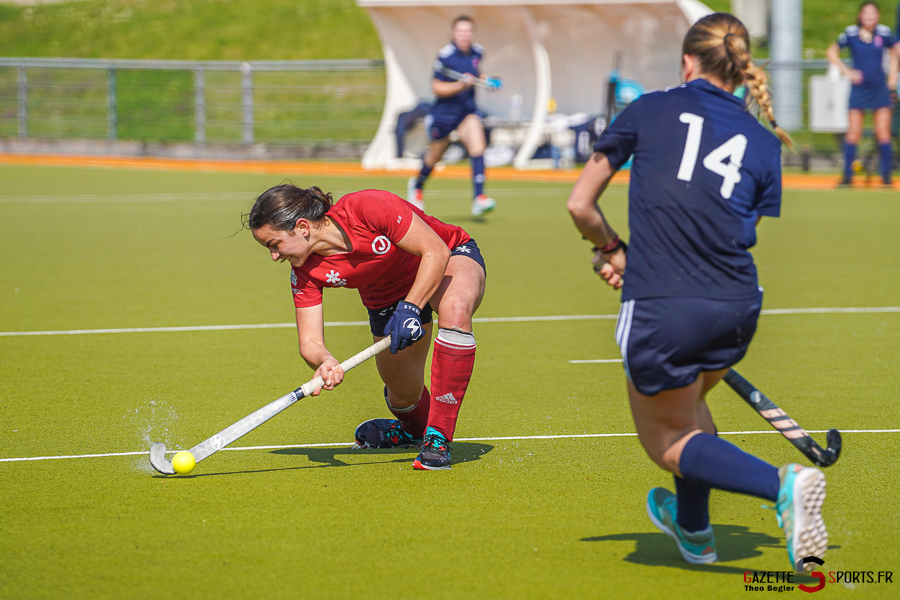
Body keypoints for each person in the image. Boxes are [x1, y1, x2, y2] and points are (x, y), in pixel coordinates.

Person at [567, 13, 828, 571]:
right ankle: (694, 530)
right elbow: (725, 228)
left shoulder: (650, 107)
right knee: (689, 414)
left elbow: (581, 205)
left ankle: (783, 485)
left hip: (665, 306)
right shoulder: (762, 142)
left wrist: (614, 249)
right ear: (741, 70)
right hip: (738, 305)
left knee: (666, 440)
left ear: (688, 61)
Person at [244, 184, 486, 470]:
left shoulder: (367, 207)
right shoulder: (304, 272)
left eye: (275, 245)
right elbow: (310, 342)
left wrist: (411, 307)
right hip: (386, 300)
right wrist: (324, 361)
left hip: (447, 256)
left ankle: (438, 437)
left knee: (455, 309)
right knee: (403, 394)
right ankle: (413, 431)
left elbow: (434, 250)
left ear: (302, 227)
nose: (274, 256)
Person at [407, 15, 498, 216]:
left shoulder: (477, 52)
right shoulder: (444, 56)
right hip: (444, 115)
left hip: (467, 111)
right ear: (453, 34)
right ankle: (417, 185)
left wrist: (487, 81)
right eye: (461, 31)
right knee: (435, 156)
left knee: (478, 147)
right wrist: (460, 85)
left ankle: (479, 198)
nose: (465, 35)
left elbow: (476, 73)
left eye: (469, 31)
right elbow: (436, 87)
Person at [826, 2, 899, 187]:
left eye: (873, 13)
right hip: (859, 88)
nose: (870, 17)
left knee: (883, 133)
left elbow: (894, 55)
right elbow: (832, 52)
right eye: (866, 13)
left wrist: (892, 81)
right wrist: (846, 71)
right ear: (860, 15)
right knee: (853, 134)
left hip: (879, 87)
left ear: (878, 16)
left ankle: (886, 178)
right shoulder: (850, 33)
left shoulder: (884, 33)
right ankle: (847, 177)